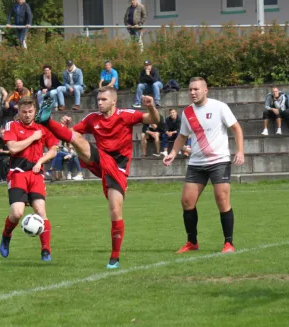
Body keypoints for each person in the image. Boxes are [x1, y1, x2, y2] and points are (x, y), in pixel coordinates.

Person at [40, 87, 160, 269]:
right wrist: (65, 125)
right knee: (77, 140)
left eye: (104, 99)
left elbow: (154, 119)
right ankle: (46, 120)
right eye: (98, 99)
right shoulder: (92, 119)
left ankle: (115, 256)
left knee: (115, 210)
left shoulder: (126, 115)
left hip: (118, 167)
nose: (100, 102)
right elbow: (72, 134)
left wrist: (151, 106)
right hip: (100, 159)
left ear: (114, 101)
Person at [162, 77, 245, 254]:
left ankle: (228, 243)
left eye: (196, 89)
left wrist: (240, 151)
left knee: (222, 200)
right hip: (196, 163)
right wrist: (172, 153)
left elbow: (236, 128)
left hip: (219, 161)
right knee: (187, 202)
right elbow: (182, 136)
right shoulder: (187, 113)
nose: (192, 92)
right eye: (190, 89)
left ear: (205, 90)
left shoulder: (219, 107)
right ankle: (192, 242)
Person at [0, 98, 59, 262]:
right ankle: (6, 234)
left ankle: (46, 250)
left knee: (41, 211)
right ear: (18, 112)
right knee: (17, 213)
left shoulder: (42, 127)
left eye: (30, 112)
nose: (27, 115)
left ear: (35, 111)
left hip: (36, 174)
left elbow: (53, 150)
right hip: (17, 173)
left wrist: (40, 161)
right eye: (24, 112)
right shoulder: (12, 126)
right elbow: (12, 148)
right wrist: (33, 137)